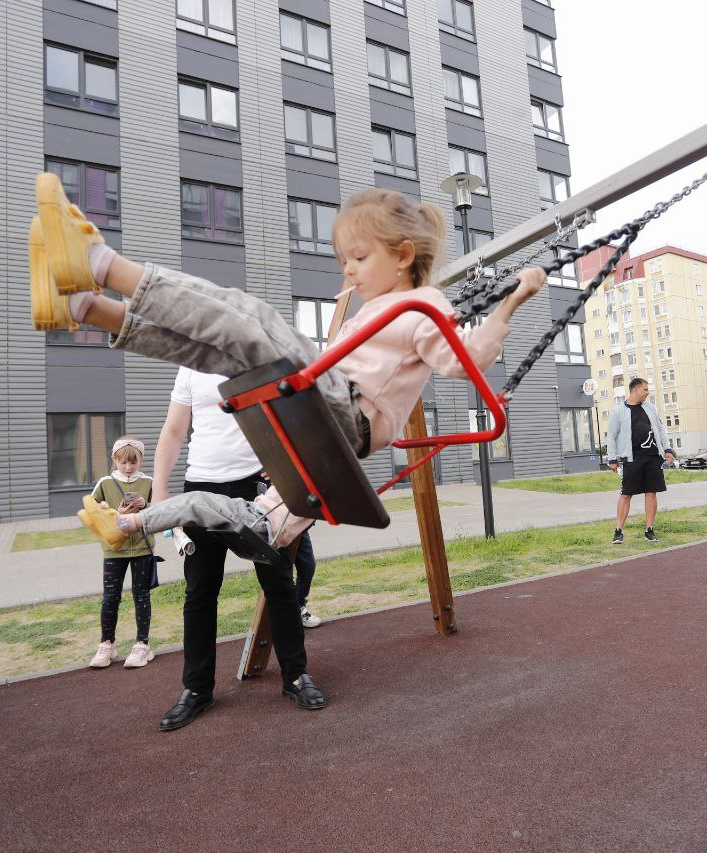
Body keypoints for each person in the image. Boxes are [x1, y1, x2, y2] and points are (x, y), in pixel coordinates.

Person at [28, 175, 542, 567]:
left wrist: (511, 302)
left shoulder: (423, 302)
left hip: (348, 412)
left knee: (253, 319)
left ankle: (99, 263)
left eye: (359, 257)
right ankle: (86, 309)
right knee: (222, 351)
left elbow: (464, 360)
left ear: (404, 255)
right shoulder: (375, 310)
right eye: (345, 258)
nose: (347, 268)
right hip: (332, 404)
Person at [149, 367, 321, 732]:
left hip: (253, 488)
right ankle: (196, 690)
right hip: (201, 488)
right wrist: (160, 491)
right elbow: (174, 429)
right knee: (200, 593)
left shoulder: (254, 357)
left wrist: (283, 464)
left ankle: (296, 676)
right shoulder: (188, 367)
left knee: (279, 585)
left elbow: (288, 414)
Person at [87, 436, 157, 669]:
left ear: (140, 461)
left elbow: (161, 511)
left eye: (133, 462)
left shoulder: (148, 482)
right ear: (114, 460)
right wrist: (114, 513)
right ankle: (107, 644)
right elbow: (91, 513)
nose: (128, 467)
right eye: (123, 462)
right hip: (114, 549)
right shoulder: (105, 483)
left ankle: (142, 645)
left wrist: (145, 506)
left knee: (142, 597)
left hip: (142, 549)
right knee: (110, 599)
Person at [605, 377, 668, 544]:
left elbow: (661, 430)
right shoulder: (618, 411)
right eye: (646, 390)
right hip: (631, 459)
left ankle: (649, 530)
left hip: (653, 457)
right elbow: (611, 437)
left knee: (651, 493)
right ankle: (618, 531)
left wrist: (667, 449)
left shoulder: (650, 408)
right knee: (626, 494)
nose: (648, 393)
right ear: (636, 390)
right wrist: (612, 459)